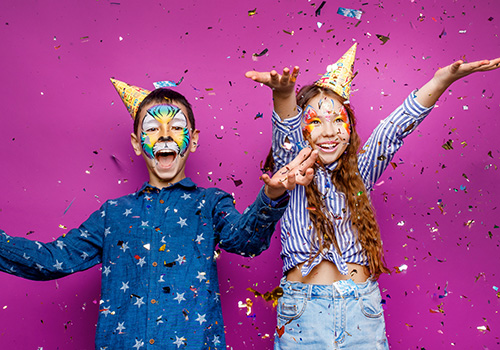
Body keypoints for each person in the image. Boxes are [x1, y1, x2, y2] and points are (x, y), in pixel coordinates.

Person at [0, 79, 318, 350]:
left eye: (176, 127)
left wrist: (272, 194)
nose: (165, 135)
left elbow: (247, 240)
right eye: (153, 129)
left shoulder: (209, 204)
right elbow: (52, 260)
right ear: (138, 144)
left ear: (192, 140)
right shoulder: (113, 215)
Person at [246, 43, 500, 349]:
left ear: (350, 128)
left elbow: (394, 130)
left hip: (361, 312)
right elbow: (285, 135)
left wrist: (441, 81)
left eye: (338, 120)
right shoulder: (291, 176)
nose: (329, 131)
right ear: (302, 131)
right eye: (316, 122)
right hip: (303, 315)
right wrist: (284, 96)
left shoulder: (361, 172)